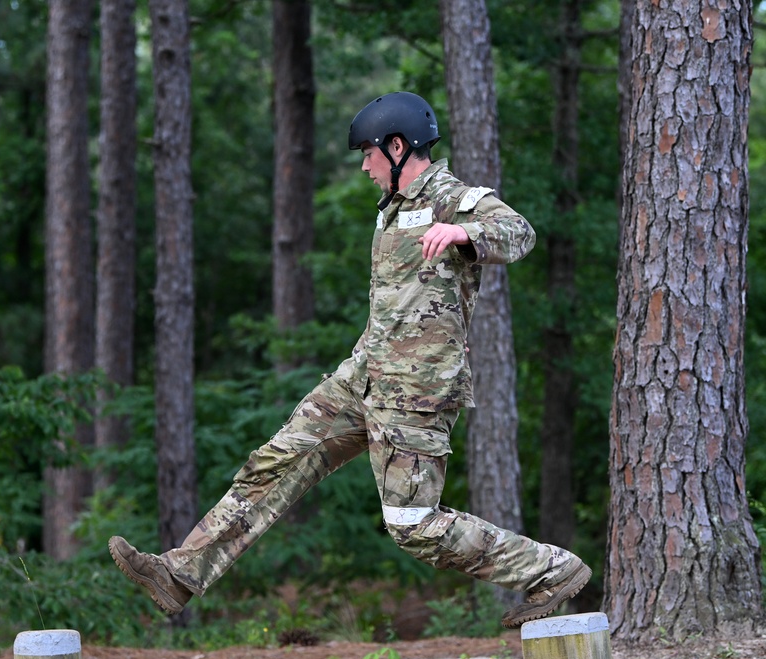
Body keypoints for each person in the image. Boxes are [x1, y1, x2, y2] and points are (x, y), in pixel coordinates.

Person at [109, 91, 590, 628]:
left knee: (411, 521)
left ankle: (551, 567)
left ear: (399, 147)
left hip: (416, 390)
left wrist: (464, 231)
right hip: (363, 376)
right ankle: (178, 573)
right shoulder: (391, 212)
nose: (364, 166)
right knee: (276, 461)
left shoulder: (452, 198)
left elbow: (518, 232)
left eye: (369, 153)